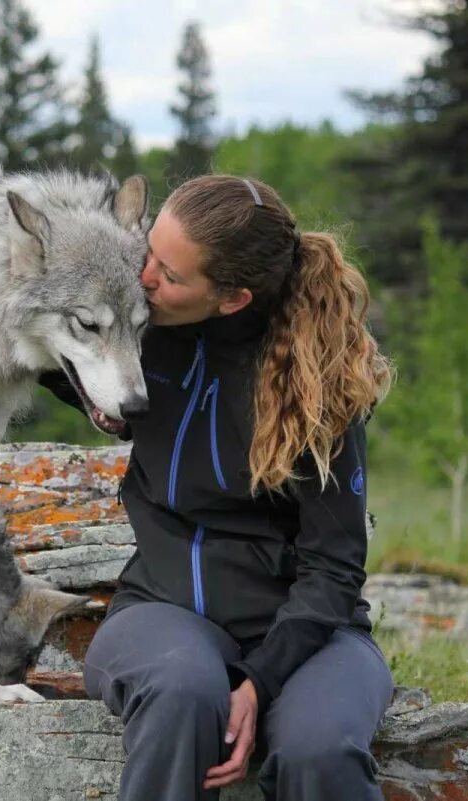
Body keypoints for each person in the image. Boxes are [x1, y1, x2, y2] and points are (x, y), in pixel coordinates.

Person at [41, 175, 394, 800]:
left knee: (322, 749)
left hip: (310, 634)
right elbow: (35, 341)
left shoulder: (319, 382)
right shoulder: (134, 332)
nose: (145, 277)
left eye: (170, 275)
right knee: (183, 693)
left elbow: (335, 568)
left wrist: (259, 683)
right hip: (161, 610)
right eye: (149, 251)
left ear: (231, 299)